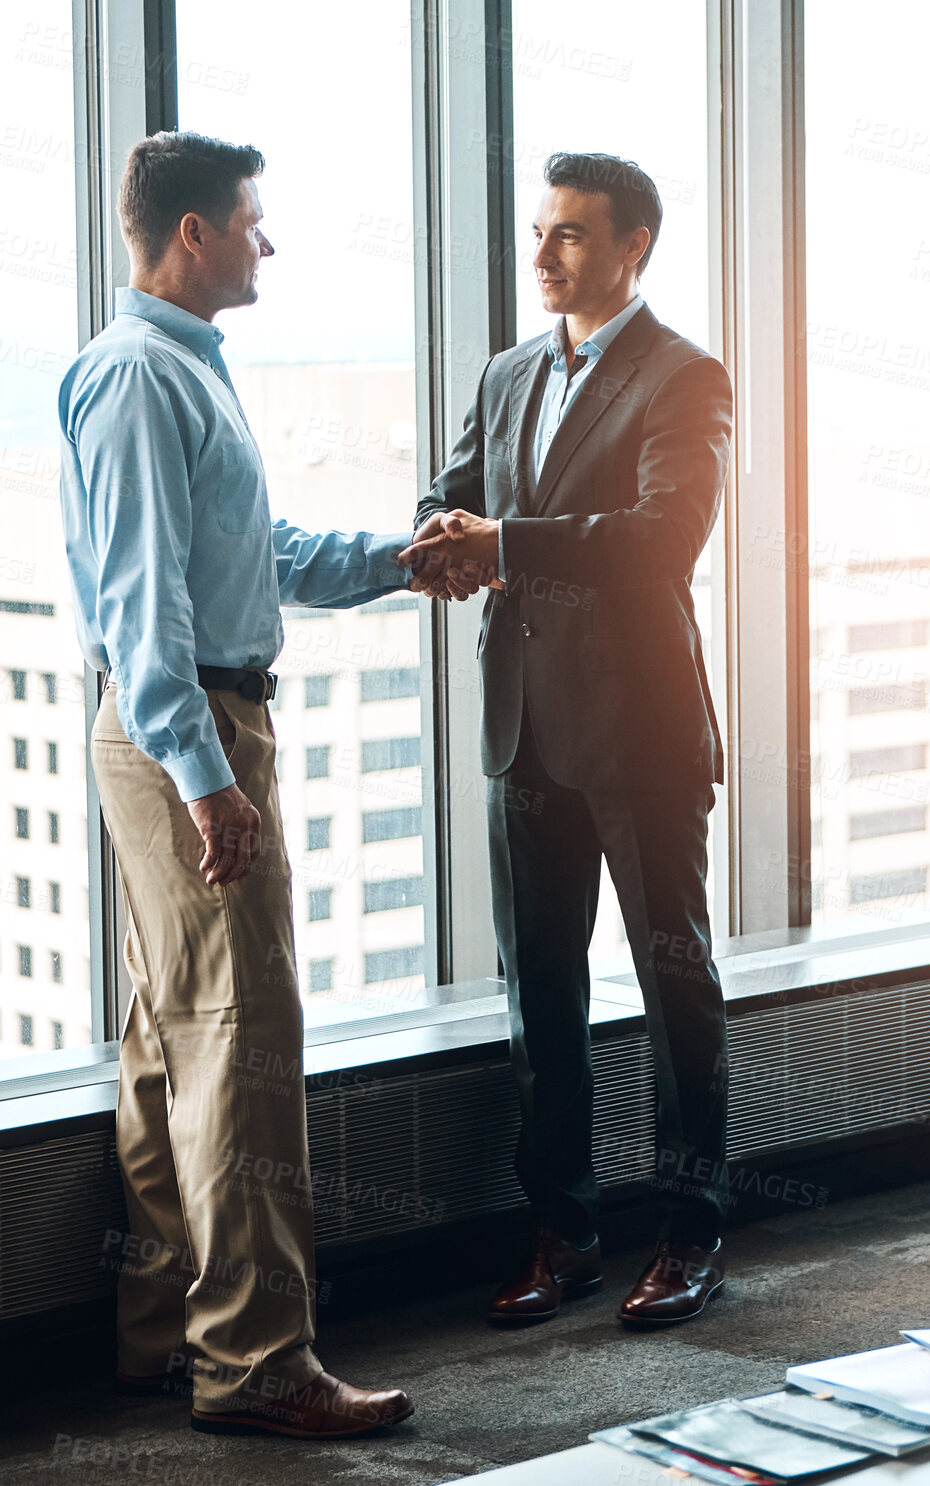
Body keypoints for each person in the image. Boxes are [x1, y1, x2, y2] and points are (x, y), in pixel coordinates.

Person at [57, 131, 446, 1437]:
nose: (265, 242)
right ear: (191, 235)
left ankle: (166, 1329)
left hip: (193, 725)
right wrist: (212, 782)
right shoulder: (135, 380)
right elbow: (141, 605)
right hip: (192, 732)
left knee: (178, 1036)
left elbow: (260, 552)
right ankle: (258, 1360)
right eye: (252, 221)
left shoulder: (186, 374)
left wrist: (402, 557)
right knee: (243, 1039)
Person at [400, 151, 733, 1328]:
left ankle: (688, 1236)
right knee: (539, 997)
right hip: (525, 732)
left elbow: (660, 538)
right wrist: (440, 540)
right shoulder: (504, 373)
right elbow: (456, 494)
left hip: (637, 732)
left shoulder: (684, 375)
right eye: (541, 232)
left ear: (634, 247)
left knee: (671, 983)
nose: (542, 255)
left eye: (572, 237)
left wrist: (502, 545)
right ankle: (563, 1233)